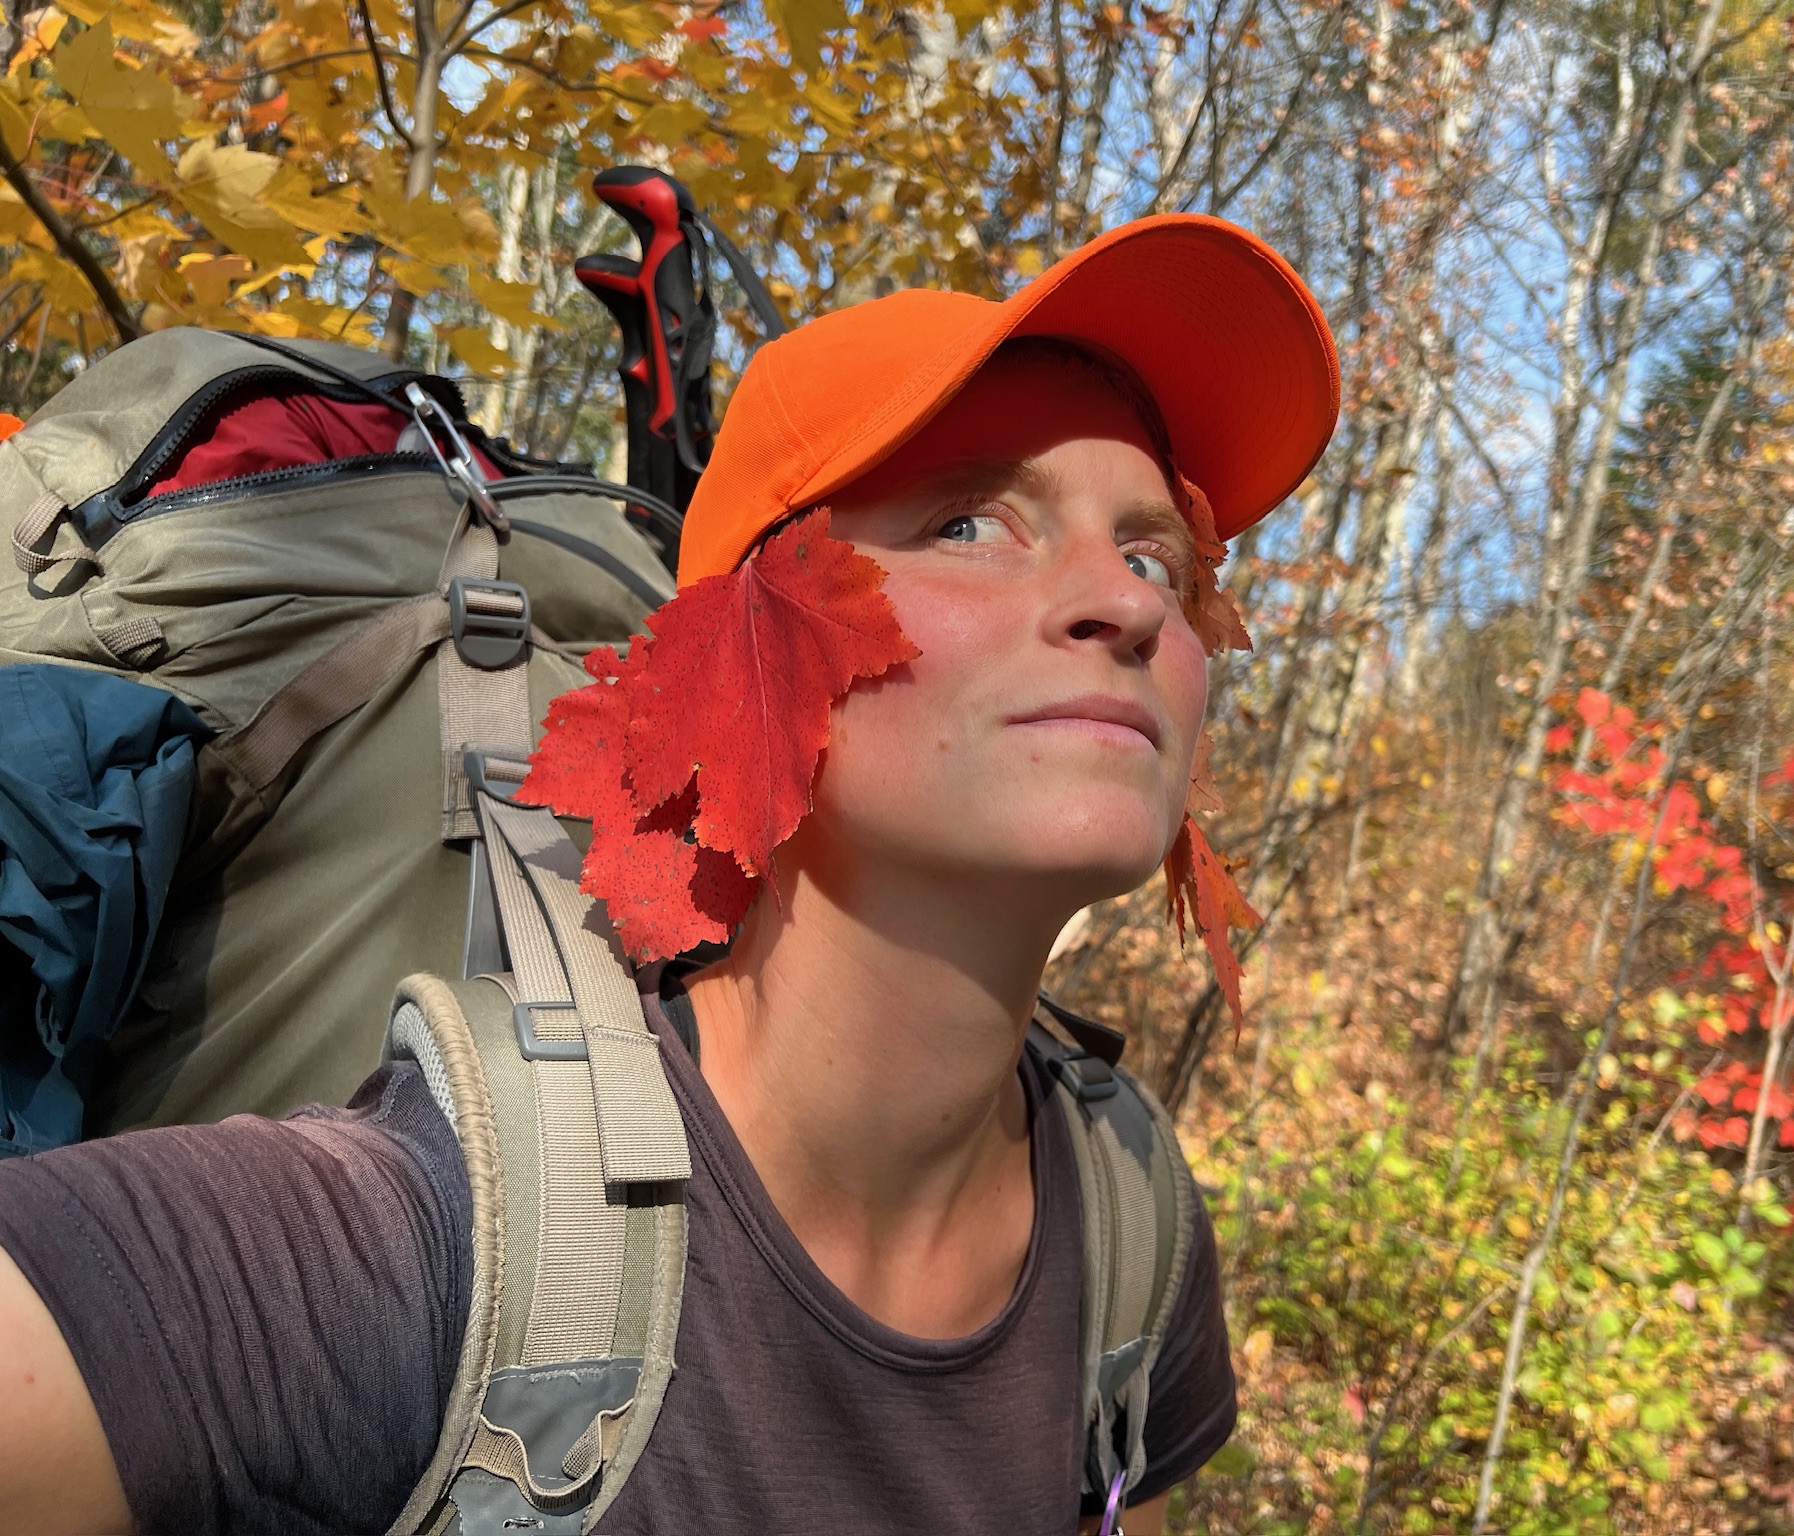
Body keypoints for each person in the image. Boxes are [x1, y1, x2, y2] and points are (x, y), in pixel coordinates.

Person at [0, 212, 1338, 1535]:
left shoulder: (1128, 1229)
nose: (1131, 602)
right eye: (971, 524)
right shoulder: (439, 1244)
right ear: (735, 660)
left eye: (1153, 554)